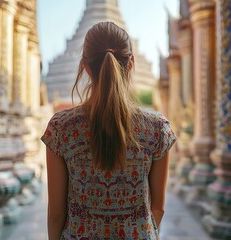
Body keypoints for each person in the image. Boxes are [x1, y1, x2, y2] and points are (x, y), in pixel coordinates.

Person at [41, 21, 176, 240]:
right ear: (131, 63)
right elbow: (158, 209)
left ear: (85, 66)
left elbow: (56, 214)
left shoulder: (60, 128)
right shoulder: (157, 129)